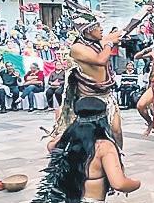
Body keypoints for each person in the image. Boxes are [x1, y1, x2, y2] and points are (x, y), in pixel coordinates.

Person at [53, 11, 130, 148]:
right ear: (87, 30)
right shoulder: (77, 48)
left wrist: (143, 12)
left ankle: (117, 157)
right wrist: (109, 44)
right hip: (86, 98)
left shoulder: (100, 41)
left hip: (105, 95)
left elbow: (122, 32)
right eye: (97, 26)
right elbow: (100, 60)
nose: (101, 29)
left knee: (117, 130)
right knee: (85, 134)